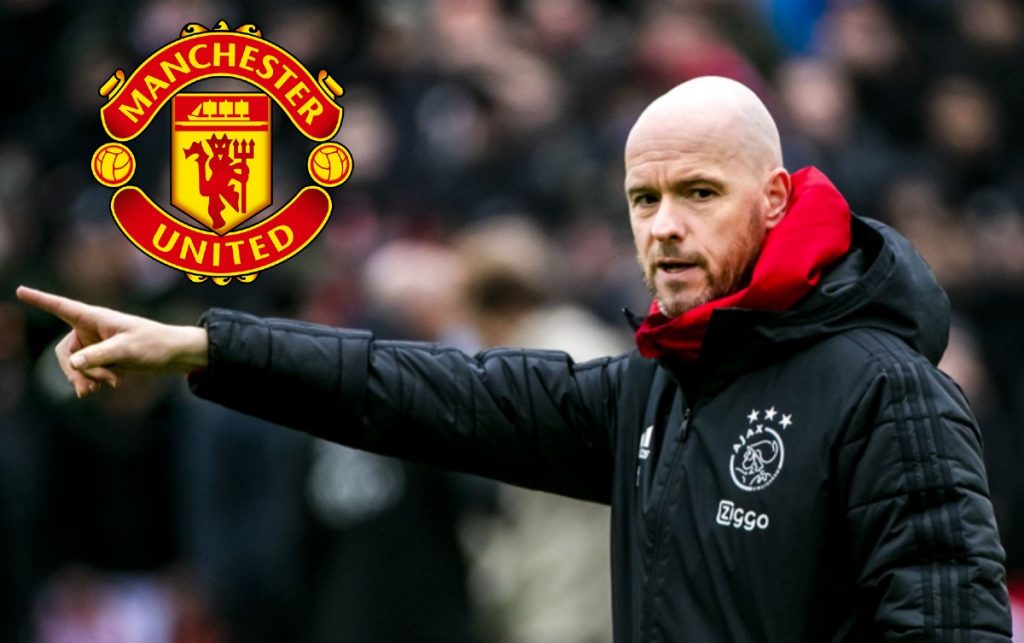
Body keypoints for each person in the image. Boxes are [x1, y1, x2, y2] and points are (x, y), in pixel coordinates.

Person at [18, 76, 1012, 641]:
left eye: (699, 194)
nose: (663, 226)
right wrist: (208, 347)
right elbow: (430, 390)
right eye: (643, 199)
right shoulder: (658, 389)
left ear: (778, 199)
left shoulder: (885, 391)